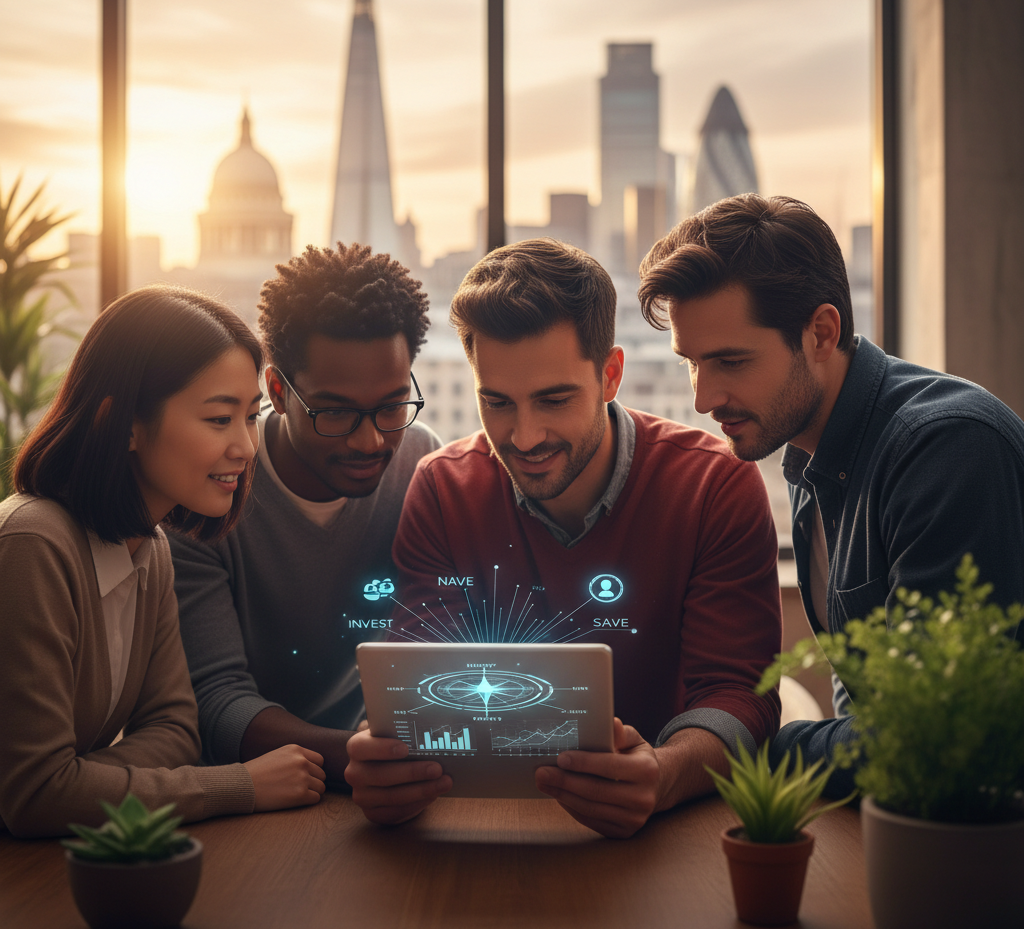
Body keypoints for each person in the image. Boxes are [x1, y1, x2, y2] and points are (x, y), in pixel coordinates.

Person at [345, 238, 782, 838]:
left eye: (553, 400)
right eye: (496, 402)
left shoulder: (714, 485)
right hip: (479, 828)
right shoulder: (443, 488)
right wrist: (387, 764)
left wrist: (665, 772)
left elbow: (739, 694)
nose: (524, 437)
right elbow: (418, 686)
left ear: (610, 375)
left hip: (668, 836)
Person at [636, 193, 1024, 790]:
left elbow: (921, 731)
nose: (702, 398)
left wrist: (725, 754)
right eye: (691, 363)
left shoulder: (947, 448)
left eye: (730, 362)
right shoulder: (810, 454)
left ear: (821, 331)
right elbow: (866, 691)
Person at [0, 286, 326, 838]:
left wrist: (76, 784)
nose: (247, 448)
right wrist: (239, 785)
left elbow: (177, 731)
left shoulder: (150, 549)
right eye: (220, 419)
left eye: (251, 417)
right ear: (123, 423)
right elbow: (36, 796)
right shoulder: (34, 544)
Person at [169, 244, 442, 786]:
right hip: (248, 794)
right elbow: (217, 703)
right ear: (277, 390)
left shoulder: (419, 461)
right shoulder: (206, 495)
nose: (371, 441)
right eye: (335, 412)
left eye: (391, 406)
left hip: (384, 771)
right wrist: (367, 759)